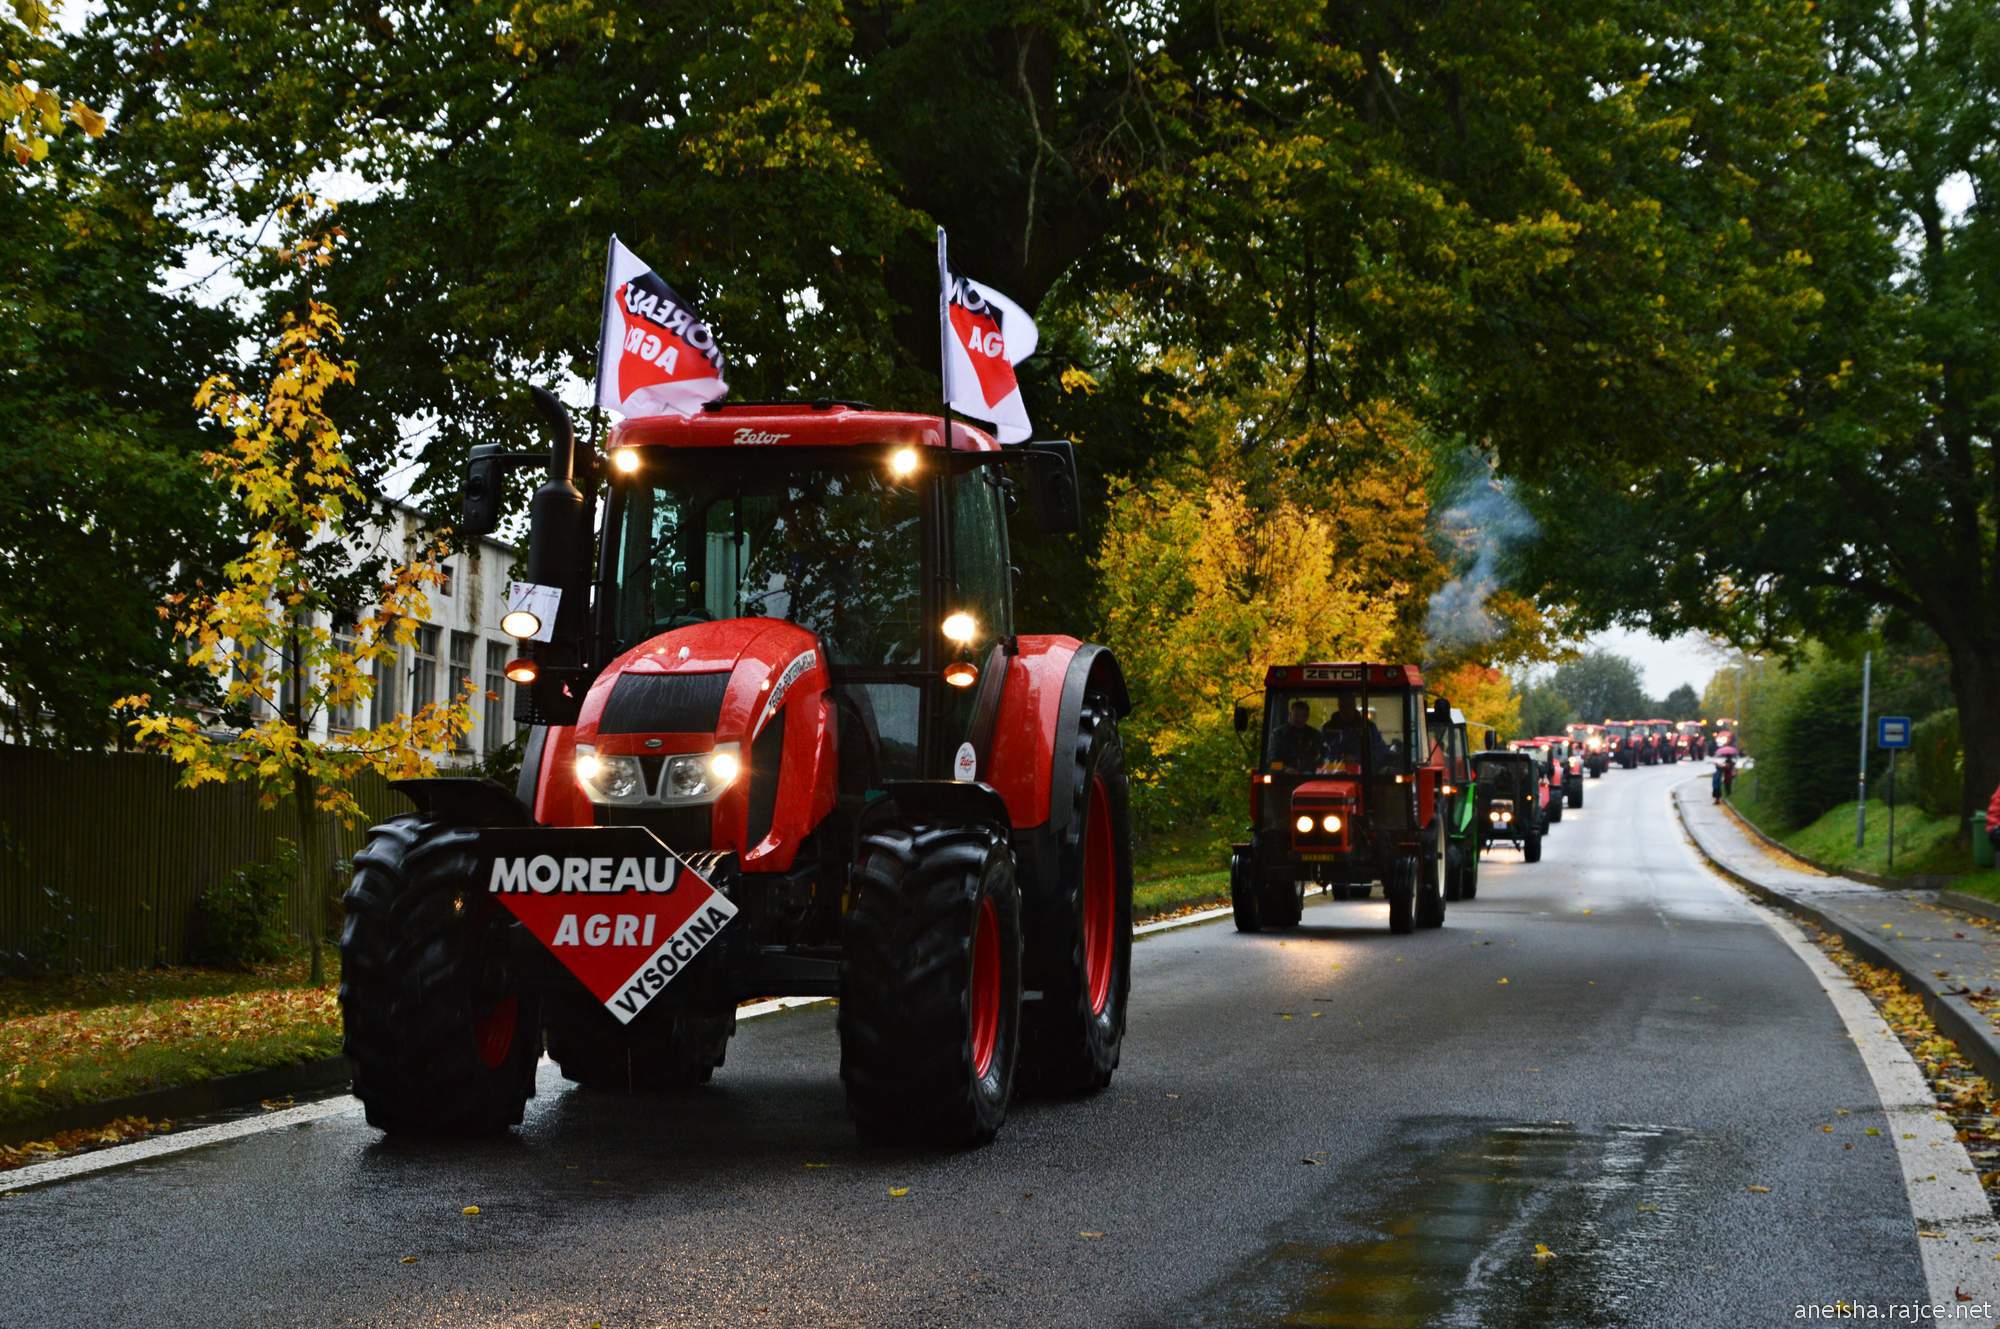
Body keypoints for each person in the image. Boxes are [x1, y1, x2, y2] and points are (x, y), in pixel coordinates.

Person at [1322, 693, 1389, 771]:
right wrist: (1338, 759)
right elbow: (1322, 753)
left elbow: (1380, 751)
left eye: (1350, 706)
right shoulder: (1328, 728)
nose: (1346, 710)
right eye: (1343, 706)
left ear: (1354, 706)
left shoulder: (1368, 727)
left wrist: (1357, 759)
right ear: (1339, 707)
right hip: (1332, 774)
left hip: (1364, 774)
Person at [1267, 699, 1325, 772]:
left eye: (1303, 716)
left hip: (1311, 776)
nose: (1299, 719)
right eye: (1296, 715)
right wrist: (1285, 769)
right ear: (1290, 715)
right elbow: (1270, 762)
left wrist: (1321, 767)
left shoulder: (1315, 735)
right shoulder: (1278, 735)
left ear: (1307, 717)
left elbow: (1324, 757)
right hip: (1283, 778)